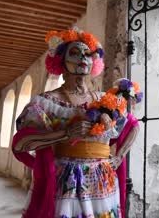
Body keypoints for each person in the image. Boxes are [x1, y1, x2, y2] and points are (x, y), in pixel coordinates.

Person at [12, 29, 139, 218]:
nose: (83, 58)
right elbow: (21, 145)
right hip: (65, 182)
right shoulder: (46, 102)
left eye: (88, 54)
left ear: (94, 62)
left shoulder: (106, 99)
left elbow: (133, 125)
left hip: (103, 182)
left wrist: (119, 156)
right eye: (75, 52)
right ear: (61, 62)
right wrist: (65, 134)